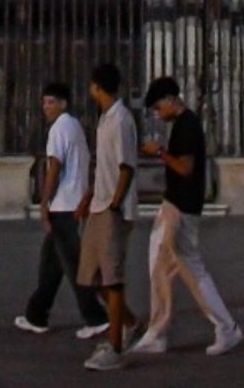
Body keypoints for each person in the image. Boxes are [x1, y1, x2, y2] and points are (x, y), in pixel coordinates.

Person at [133, 75, 243, 358]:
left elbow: (185, 168)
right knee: (158, 262)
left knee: (191, 267)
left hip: (182, 207)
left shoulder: (187, 126)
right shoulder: (184, 125)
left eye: (158, 108)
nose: (158, 114)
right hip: (175, 203)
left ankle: (226, 327)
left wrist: (160, 152)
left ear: (171, 100)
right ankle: (157, 332)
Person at [15, 81, 109, 341]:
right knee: (51, 264)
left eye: (51, 102)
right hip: (72, 202)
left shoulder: (58, 129)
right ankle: (36, 315)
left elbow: (54, 167)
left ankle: (96, 317)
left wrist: (44, 203)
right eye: (44, 102)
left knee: (73, 264)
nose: (46, 107)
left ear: (63, 104)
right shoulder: (75, 126)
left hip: (63, 205)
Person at [77, 62, 142, 372]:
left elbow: (126, 165)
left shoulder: (121, 120)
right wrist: (90, 197)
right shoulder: (104, 119)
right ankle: (129, 323)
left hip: (112, 210)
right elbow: (104, 166)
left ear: (97, 87)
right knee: (91, 277)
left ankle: (116, 348)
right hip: (99, 206)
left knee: (112, 280)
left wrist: (115, 204)